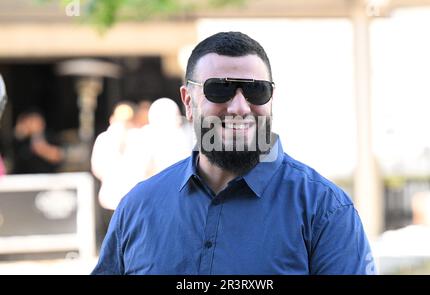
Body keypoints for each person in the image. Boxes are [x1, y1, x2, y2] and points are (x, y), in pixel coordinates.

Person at [92, 32, 376, 275]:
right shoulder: (138, 206)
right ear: (188, 102)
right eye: (220, 89)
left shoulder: (325, 211)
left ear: (271, 100)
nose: (240, 107)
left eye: (256, 91)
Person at [12, 109, 65, 174]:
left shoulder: (51, 137)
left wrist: (41, 147)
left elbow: (58, 156)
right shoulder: (22, 140)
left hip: (47, 177)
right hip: (25, 177)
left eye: (33, 121)